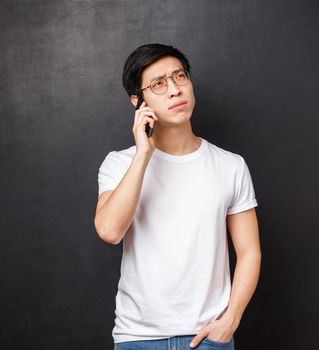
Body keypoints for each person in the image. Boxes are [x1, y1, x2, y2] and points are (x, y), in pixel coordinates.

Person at [95, 43, 261, 350]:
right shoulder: (119, 164)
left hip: (210, 339)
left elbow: (249, 251)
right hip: (138, 340)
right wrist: (144, 154)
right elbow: (109, 231)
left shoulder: (230, 165)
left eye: (180, 77)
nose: (174, 90)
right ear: (137, 100)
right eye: (158, 84)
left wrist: (231, 320)